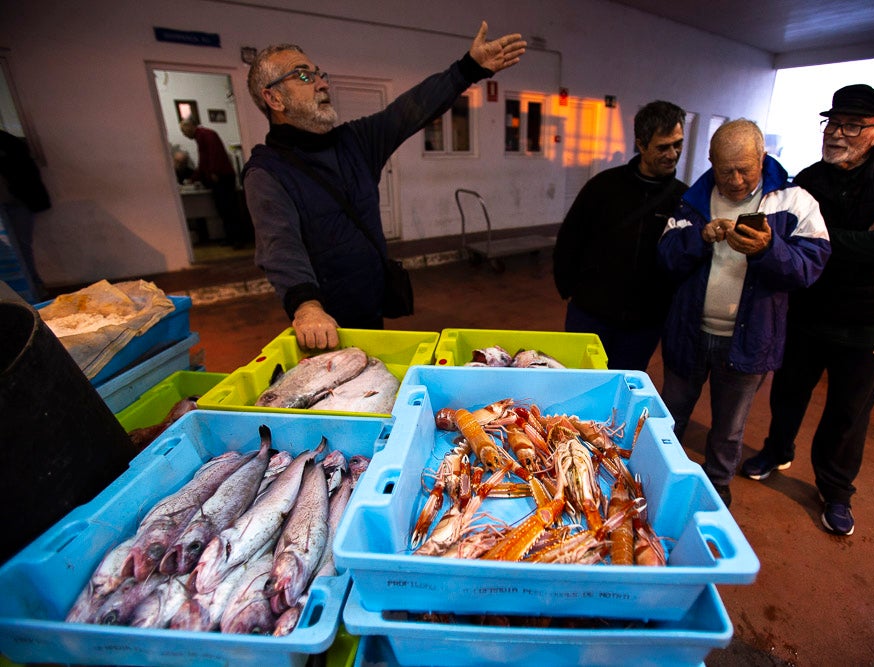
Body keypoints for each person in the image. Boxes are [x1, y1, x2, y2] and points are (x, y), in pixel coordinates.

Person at [243, 22, 526, 350]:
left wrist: (468, 69)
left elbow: (410, 111)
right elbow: (279, 245)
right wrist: (307, 307)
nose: (320, 83)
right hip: (325, 323)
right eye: (304, 75)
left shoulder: (354, 142)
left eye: (320, 73)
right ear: (274, 98)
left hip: (370, 306)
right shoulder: (266, 172)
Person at [741, 84, 874, 536]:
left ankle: (836, 490)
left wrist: (825, 240)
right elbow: (788, 243)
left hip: (872, 320)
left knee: (848, 412)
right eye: (832, 122)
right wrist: (862, 233)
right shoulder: (811, 178)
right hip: (812, 310)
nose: (836, 134)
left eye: (852, 125)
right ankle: (777, 449)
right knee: (788, 391)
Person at [657, 120, 830, 507]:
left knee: (729, 428)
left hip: (749, 337)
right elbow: (666, 258)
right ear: (710, 162)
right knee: (670, 414)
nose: (735, 180)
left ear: (762, 158)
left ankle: (717, 489)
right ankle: (656, 475)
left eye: (745, 169)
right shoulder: (694, 200)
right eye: (725, 170)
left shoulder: (794, 201)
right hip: (690, 331)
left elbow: (810, 267)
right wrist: (699, 238)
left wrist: (769, 249)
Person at [553, 101, 688, 370]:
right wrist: (568, 290)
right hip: (590, 315)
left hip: (643, 325)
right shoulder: (603, 187)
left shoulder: (683, 199)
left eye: (678, 144)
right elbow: (570, 239)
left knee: (624, 386)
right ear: (641, 144)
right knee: (583, 382)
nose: (673, 154)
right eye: (663, 147)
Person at [179, 118, 250, 247]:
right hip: (219, 176)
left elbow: (212, 156)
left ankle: (238, 239)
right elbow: (204, 161)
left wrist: (213, 172)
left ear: (191, 126)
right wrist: (195, 178)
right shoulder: (204, 135)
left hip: (221, 177)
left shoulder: (205, 135)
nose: (184, 134)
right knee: (224, 210)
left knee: (229, 209)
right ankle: (232, 238)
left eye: (184, 131)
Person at [0, 129, 51, 301]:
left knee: (21, 249)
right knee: (15, 252)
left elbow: (24, 173)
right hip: (11, 202)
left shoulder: (9, 144)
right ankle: (28, 293)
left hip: (17, 201)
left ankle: (33, 292)